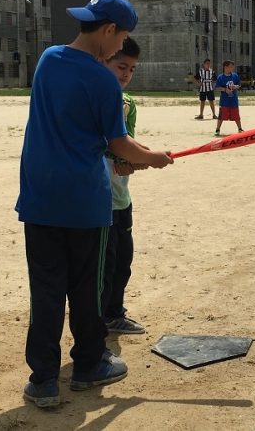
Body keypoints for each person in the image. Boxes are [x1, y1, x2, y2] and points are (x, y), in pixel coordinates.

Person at [16, 0, 173, 408]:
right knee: (87, 288)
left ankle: (44, 381)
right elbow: (119, 143)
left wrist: (132, 155)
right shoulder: (103, 80)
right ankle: (88, 365)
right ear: (108, 30)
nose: (121, 46)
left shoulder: (48, 59)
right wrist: (154, 158)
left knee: (46, 291)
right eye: (121, 38)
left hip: (40, 199)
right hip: (85, 203)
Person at [102, 37, 146, 334]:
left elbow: (124, 146)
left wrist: (135, 158)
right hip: (98, 199)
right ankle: (100, 316)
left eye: (131, 69)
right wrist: (139, 156)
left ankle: (114, 312)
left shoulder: (128, 104)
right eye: (120, 66)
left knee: (122, 262)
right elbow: (109, 145)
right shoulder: (95, 98)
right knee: (103, 265)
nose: (126, 74)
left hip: (121, 196)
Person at [214, 60, 243, 136]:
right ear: (225, 67)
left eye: (232, 67)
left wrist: (236, 86)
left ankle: (240, 128)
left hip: (233, 100)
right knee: (221, 116)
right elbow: (216, 88)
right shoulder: (220, 77)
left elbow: (239, 85)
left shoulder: (235, 75)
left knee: (236, 115)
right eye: (230, 67)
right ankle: (217, 129)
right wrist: (224, 89)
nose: (232, 68)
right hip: (224, 101)